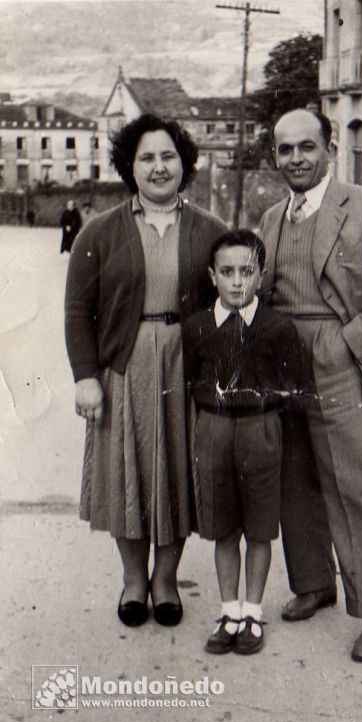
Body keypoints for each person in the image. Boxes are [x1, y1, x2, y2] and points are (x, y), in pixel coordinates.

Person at [259, 108, 362, 662]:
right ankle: (314, 584)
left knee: (356, 485)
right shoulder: (272, 217)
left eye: (307, 147)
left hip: (343, 363)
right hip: (285, 366)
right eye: (285, 150)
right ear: (274, 155)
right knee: (295, 480)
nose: (296, 158)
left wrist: (344, 343)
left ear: (329, 147)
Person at [65, 114, 227, 628]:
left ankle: (166, 580)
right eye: (147, 158)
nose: (159, 168)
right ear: (129, 167)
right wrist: (86, 375)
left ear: (184, 163)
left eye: (168, 157)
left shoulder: (211, 231)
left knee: (179, 472)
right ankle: (134, 580)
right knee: (127, 474)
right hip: (125, 366)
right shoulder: (100, 232)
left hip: (185, 367)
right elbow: (77, 310)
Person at [182, 230, 304, 655]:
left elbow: (295, 388)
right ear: (212, 275)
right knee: (223, 529)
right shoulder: (197, 327)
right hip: (214, 431)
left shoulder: (277, 327)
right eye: (228, 272)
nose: (237, 282)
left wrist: (273, 431)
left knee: (258, 529)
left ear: (261, 276)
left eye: (247, 272)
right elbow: (189, 381)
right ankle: (229, 611)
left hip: (260, 431)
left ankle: (252, 612)